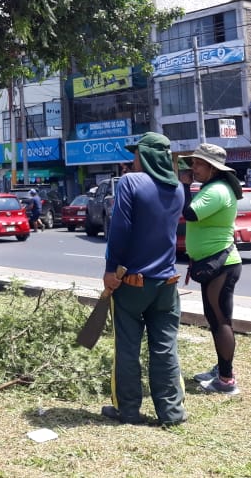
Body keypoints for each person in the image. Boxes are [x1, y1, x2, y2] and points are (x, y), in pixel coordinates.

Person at [100, 132, 187, 426]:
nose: (132, 160)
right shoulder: (178, 189)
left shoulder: (130, 182)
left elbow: (120, 229)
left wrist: (111, 269)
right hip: (167, 285)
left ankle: (128, 410)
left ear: (146, 156)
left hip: (132, 283)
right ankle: (171, 413)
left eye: (136, 154)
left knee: (127, 348)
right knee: (164, 348)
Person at [181, 142, 244, 395]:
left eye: (197, 164)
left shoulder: (216, 190)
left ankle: (226, 380)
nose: (193, 168)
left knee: (221, 321)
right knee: (215, 319)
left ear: (212, 168)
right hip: (215, 263)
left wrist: (184, 186)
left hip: (221, 264)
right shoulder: (213, 187)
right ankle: (221, 368)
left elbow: (190, 214)